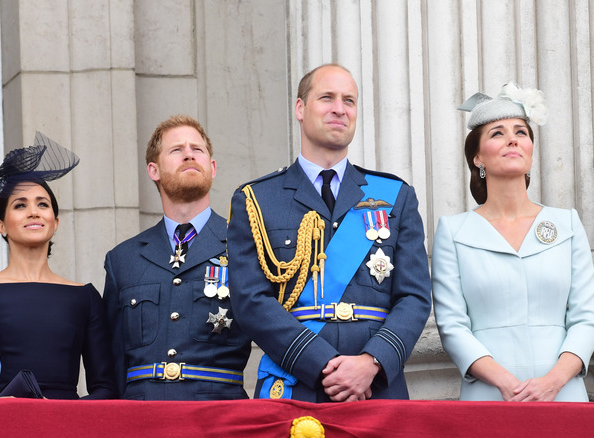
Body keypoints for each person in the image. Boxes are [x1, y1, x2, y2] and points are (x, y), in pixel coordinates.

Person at [227, 64, 431, 402]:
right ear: (300, 108)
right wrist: (324, 363)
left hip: (375, 387)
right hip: (297, 382)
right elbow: (250, 301)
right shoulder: (257, 199)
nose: (340, 108)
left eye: (349, 101)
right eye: (327, 97)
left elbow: (414, 297)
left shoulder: (396, 195)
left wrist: (371, 362)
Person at [432, 83, 594, 401]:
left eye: (521, 131)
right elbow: (452, 325)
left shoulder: (567, 224)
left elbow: (586, 317)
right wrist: (507, 384)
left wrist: (552, 382)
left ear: (531, 150)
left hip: (562, 394)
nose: (512, 139)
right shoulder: (453, 232)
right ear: (478, 157)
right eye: (497, 133)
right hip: (490, 396)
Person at [103, 115, 251, 400]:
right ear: (153, 170)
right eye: (177, 150)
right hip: (143, 419)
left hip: (219, 416)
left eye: (197, 149)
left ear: (213, 167)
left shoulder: (246, 246)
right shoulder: (123, 259)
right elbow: (112, 362)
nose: (188, 155)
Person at [0, 132, 117, 399]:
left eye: (43, 204)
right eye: (20, 205)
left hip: (66, 427)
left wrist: (62, 414)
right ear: (1, 226)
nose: (34, 212)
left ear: (55, 222)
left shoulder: (84, 296)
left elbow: (106, 388)